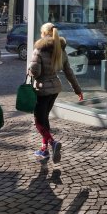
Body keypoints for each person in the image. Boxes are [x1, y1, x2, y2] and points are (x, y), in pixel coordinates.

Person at [28, 22, 83, 162]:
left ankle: (53, 143)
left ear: (44, 34)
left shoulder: (39, 50)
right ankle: (43, 150)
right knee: (44, 118)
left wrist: (30, 69)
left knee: (38, 121)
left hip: (42, 89)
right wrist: (78, 90)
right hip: (55, 89)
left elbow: (36, 72)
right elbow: (69, 72)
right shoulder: (61, 50)